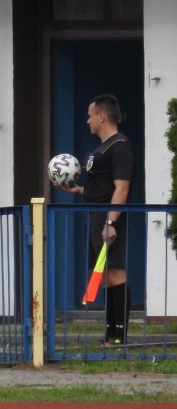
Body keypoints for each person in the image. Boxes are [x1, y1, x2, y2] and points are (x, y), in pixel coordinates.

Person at [55, 94, 133, 346]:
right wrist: (77, 190)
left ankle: (119, 335)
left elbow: (121, 189)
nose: (87, 121)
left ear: (102, 116)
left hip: (109, 217)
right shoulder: (99, 149)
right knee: (105, 274)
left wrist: (111, 222)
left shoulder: (119, 146)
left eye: (90, 116)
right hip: (95, 216)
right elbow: (98, 186)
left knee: (115, 273)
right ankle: (109, 334)